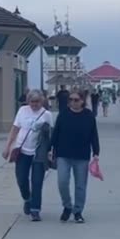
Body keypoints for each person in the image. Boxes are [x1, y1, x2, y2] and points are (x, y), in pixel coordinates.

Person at [50, 90, 100, 223]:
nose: (73, 102)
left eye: (76, 100)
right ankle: (67, 206)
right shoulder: (63, 114)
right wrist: (50, 149)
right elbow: (56, 133)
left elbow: (93, 135)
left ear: (82, 101)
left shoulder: (89, 116)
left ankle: (78, 211)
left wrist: (96, 153)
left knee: (80, 185)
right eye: (70, 100)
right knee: (62, 182)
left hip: (82, 156)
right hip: (63, 155)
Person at [3, 90, 55, 221]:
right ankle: (27, 198)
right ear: (28, 101)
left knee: (37, 182)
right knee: (21, 179)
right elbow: (15, 129)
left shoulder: (47, 114)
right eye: (32, 102)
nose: (34, 104)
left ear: (42, 101)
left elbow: (51, 136)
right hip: (22, 150)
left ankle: (35, 210)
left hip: (38, 152)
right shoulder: (22, 111)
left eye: (37, 101)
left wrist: (51, 152)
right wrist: (8, 146)